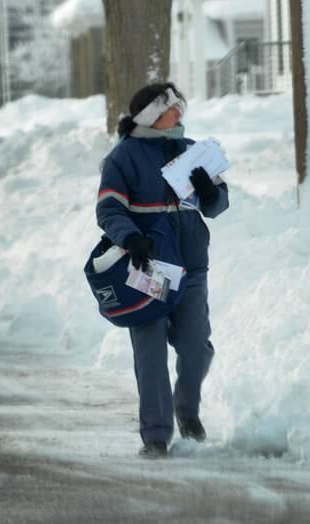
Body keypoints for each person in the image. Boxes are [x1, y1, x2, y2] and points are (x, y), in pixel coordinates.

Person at [96, 82, 229, 458]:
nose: (180, 115)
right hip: (147, 267)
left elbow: (218, 207)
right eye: (173, 109)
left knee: (195, 345)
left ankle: (187, 412)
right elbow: (109, 209)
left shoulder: (192, 151)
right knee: (150, 352)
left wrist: (210, 193)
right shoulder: (124, 157)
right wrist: (131, 239)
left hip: (191, 265)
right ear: (154, 117)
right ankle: (155, 435)